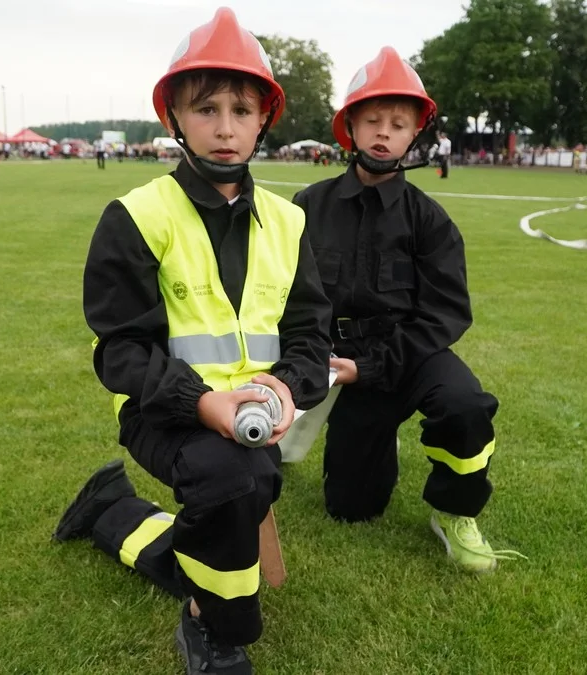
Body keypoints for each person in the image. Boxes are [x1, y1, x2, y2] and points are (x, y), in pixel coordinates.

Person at [53, 8, 333, 674]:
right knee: (235, 480)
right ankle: (214, 627)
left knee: (242, 479)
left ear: (266, 116)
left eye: (243, 107)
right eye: (206, 107)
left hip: (259, 417)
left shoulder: (290, 223)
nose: (227, 126)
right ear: (173, 116)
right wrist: (203, 403)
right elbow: (119, 351)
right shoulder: (137, 217)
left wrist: (285, 387)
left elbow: (311, 335)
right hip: (165, 413)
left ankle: (110, 511)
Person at [292, 46, 524, 574]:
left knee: (466, 406)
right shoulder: (307, 207)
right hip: (338, 362)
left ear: (415, 132)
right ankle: (375, 447)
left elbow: (446, 314)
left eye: (398, 123)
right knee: (352, 509)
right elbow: (284, 295)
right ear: (349, 125)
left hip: (411, 353)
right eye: (371, 119)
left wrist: (373, 366)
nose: (383, 132)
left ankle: (455, 512)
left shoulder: (429, 219)